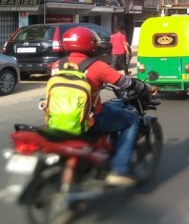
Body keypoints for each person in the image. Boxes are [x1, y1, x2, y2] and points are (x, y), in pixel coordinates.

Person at [51, 26, 157, 187]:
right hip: (92, 118)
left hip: (57, 116)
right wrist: (147, 87)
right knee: (132, 120)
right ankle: (119, 169)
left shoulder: (57, 65)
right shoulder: (96, 66)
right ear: (90, 45)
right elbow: (125, 82)